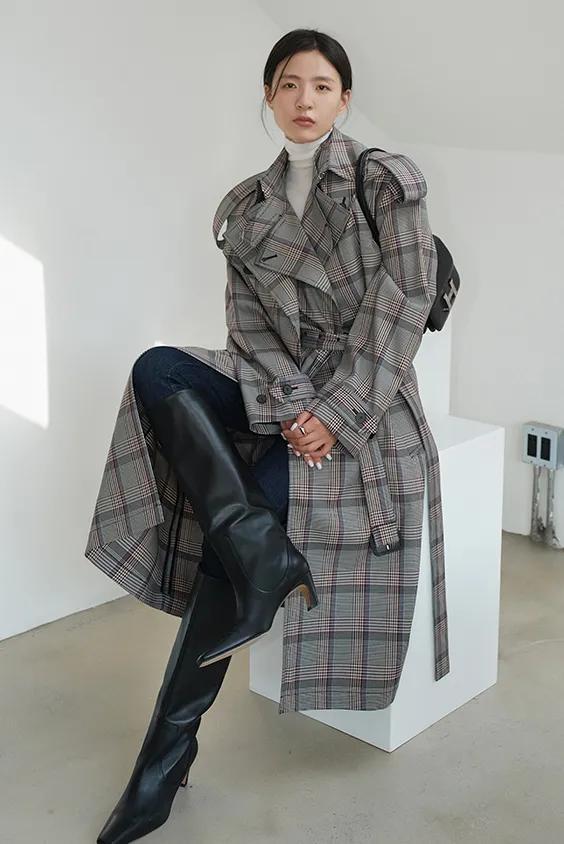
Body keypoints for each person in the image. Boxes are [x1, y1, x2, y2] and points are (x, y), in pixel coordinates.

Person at [92, 27, 449, 844]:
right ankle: (260, 551)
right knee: (160, 370)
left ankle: (161, 764)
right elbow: (248, 330)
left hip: (370, 397)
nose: (304, 100)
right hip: (285, 391)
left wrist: (334, 413)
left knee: (233, 544)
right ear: (268, 96)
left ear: (344, 99)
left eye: (321, 86)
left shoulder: (384, 181)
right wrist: (294, 408)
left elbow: (404, 303)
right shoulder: (246, 209)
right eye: (289, 85)